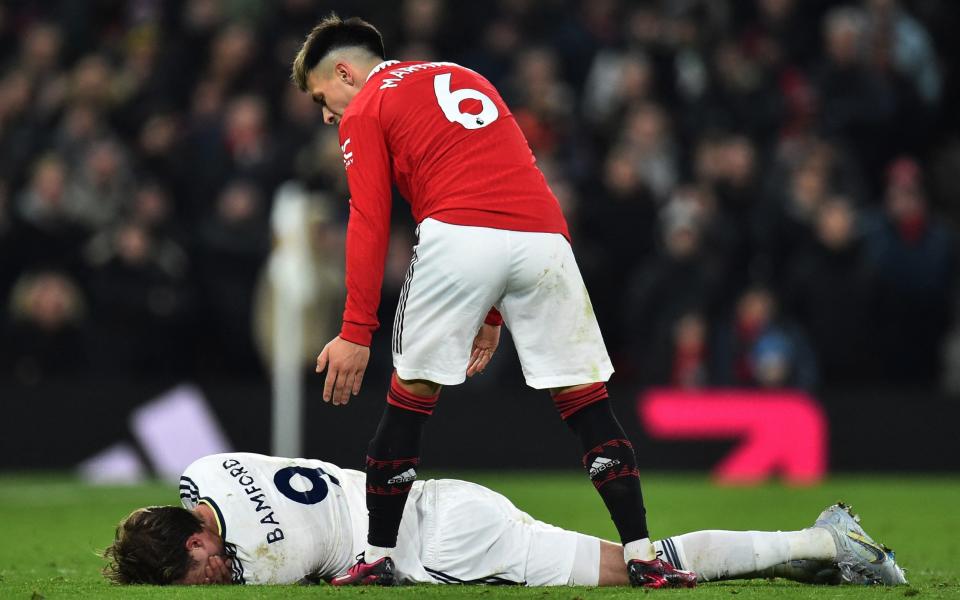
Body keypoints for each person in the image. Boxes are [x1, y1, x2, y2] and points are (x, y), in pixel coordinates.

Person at [289, 14, 675, 587]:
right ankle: (643, 553)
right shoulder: (465, 74)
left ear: (346, 72)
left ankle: (377, 556)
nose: (325, 115)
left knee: (410, 395)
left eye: (323, 97)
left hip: (458, 233)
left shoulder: (367, 107)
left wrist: (354, 330)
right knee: (587, 400)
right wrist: (493, 310)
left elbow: (369, 218)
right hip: (545, 235)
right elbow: (505, 172)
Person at [101, 452, 907, 587]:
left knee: (642, 572)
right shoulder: (208, 475)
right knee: (639, 566)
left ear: (201, 539)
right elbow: (190, 484)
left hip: (445, 542)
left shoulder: (270, 559)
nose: (205, 582)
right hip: (443, 502)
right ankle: (809, 550)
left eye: (194, 571)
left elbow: (256, 566)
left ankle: (827, 540)